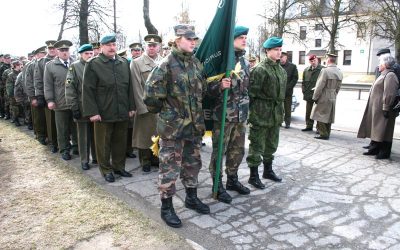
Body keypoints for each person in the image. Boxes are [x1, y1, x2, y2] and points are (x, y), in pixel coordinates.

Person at [144, 24, 210, 228]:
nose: (193, 42)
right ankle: (167, 208)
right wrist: (169, 115)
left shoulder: (196, 64)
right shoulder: (165, 64)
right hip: (173, 130)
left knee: (193, 165)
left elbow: (202, 91)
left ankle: (191, 197)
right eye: (189, 39)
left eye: (194, 39)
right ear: (177, 40)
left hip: (193, 128)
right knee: (169, 169)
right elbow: (151, 98)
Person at [82, 33, 135, 183]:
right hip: (103, 112)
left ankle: (119, 167)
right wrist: (92, 112)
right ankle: (106, 169)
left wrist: (131, 106)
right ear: (101, 47)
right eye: (108, 45)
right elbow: (88, 90)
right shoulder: (93, 64)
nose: (112, 48)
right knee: (103, 143)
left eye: (114, 45)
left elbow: (129, 87)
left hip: (122, 109)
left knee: (120, 141)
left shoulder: (123, 62)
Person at [208, 25, 251, 204]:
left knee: (237, 150)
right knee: (220, 151)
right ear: (232, 39)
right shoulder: (222, 61)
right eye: (241, 37)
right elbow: (206, 89)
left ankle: (232, 179)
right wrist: (219, 86)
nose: (244, 40)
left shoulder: (246, 62)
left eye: (245, 38)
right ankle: (217, 185)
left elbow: (247, 89)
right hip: (224, 115)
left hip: (240, 115)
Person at [246, 36, 286, 189]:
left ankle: (267, 171)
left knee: (271, 144)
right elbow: (252, 94)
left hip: (275, 114)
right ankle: (253, 176)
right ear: (267, 50)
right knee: (257, 145)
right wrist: (253, 114)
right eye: (276, 50)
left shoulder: (281, 70)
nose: (279, 52)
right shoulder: (260, 69)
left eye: (280, 50)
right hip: (261, 115)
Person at [131, 34, 162, 172]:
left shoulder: (164, 61)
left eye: (154, 45)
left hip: (161, 106)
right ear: (145, 47)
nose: (152, 48)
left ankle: (155, 158)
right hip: (145, 105)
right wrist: (142, 107)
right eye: (149, 45)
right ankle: (145, 160)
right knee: (144, 134)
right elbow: (136, 86)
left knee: (158, 133)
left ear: (159, 47)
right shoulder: (137, 63)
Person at [358, 54, 399, 159]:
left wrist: (386, 107)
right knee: (377, 129)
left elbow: (389, 93)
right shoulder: (383, 74)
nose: (378, 65)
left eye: (380, 63)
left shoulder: (390, 75)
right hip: (377, 107)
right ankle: (375, 148)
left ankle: (384, 152)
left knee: (385, 130)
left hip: (384, 108)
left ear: (385, 64)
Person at [44, 40, 78, 160]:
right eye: (62, 50)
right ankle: (64, 149)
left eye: (66, 50)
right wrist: (50, 100)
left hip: (74, 102)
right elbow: (47, 85)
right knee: (62, 128)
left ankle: (77, 147)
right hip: (60, 102)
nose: (64, 52)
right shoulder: (50, 66)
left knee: (75, 126)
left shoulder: (75, 63)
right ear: (57, 51)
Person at [66, 44, 97, 170]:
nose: (89, 56)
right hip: (81, 106)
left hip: (96, 107)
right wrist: (74, 107)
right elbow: (69, 88)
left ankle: (96, 157)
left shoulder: (96, 65)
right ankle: (84, 160)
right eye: (86, 54)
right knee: (83, 136)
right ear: (81, 54)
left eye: (91, 53)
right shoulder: (75, 67)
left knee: (96, 134)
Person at [310, 53, 343, 140]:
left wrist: (315, 97)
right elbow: (338, 87)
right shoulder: (339, 71)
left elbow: (319, 85)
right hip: (333, 95)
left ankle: (323, 134)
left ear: (328, 60)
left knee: (319, 114)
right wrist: (334, 94)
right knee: (328, 115)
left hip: (324, 94)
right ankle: (327, 132)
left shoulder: (325, 71)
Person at [35, 40, 58, 152]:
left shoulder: (65, 59)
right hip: (48, 95)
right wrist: (39, 96)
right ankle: (53, 142)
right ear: (47, 50)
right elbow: (38, 80)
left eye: (54, 48)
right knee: (51, 121)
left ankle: (66, 142)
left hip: (64, 96)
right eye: (50, 48)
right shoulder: (41, 62)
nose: (52, 50)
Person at [26, 46, 47, 143]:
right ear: (37, 55)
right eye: (43, 53)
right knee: (38, 117)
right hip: (35, 95)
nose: (45, 54)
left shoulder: (46, 63)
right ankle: (40, 135)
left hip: (45, 94)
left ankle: (46, 134)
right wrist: (32, 97)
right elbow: (28, 83)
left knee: (46, 117)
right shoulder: (31, 65)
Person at [301, 54, 323, 131]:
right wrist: (303, 91)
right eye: (311, 61)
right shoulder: (306, 70)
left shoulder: (322, 70)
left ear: (317, 60)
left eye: (314, 60)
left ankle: (318, 128)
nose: (313, 62)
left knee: (318, 111)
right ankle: (309, 125)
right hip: (308, 94)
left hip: (318, 94)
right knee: (308, 111)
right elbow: (303, 82)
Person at [280, 51, 299, 128]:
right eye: (280, 57)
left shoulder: (292, 66)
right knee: (279, 108)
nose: (281, 59)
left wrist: (288, 87)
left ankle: (287, 123)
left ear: (286, 57)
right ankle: (279, 121)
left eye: (282, 57)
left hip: (288, 91)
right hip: (278, 91)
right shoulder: (277, 65)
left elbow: (295, 78)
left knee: (287, 108)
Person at [6, 60, 23, 126]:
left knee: (21, 108)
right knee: (15, 108)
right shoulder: (11, 75)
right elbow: (9, 86)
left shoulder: (22, 73)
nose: (21, 66)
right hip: (14, 95)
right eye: (19, 65)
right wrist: (12, 95)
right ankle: (16, 120)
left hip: (21, 94)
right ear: (16, 66)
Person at [0, 54, 12, 119]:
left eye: (9, 58)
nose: (9, 59)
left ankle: (10, 114)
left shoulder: (11, 65)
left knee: (9, 101)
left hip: (9, 86)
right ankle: (4, 113)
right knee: (3, 100)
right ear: (4, 59)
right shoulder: (2, 67)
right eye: (8, 58)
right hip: (3, 86)